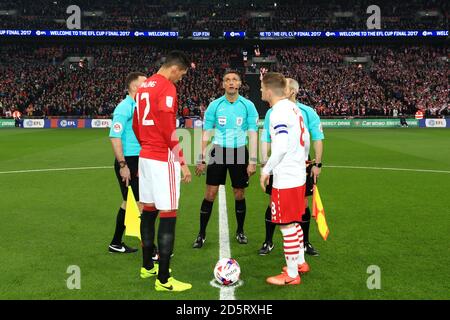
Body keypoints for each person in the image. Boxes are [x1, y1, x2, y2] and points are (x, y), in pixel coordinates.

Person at [132, 51, 192, 292]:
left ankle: (147, 266)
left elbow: (137, 123)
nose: (180, 79)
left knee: (148, 210)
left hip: (145, 155)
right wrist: (182, 161)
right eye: (182, 75)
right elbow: (169, 128)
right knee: (168, 212)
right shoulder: (167, 87)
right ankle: (164, 279)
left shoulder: (144, 86)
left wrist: (146, 144)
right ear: (175, 69)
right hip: (161, 157)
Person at [193, 70, 259, 248]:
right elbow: (206, 132)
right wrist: (201, 157)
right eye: (227, 80)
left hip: (239, 152)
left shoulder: (248, 105)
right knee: (210, 194)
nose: (231, 82)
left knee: (239, 193)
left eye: (234, 79)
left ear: (239, 84)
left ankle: (240, 231)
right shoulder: (214, 105)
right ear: (223, 84)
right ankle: (201, 234)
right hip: (218, 152)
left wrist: (252, 160)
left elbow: (253, 133)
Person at [259, 78, 324, 256]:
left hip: (291, 164)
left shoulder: (299, 111)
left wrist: (316, 163)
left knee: (299, 207)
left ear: (291, 91)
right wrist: (265, 161)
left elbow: (316, 138)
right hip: (288, 164)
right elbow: (266, 138)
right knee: (275, 203)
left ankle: (303, 247)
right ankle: (269, 241)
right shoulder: (286, 111)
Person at [259, 72, 309, 286]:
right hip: (297, 174)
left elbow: (279, 146)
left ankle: (291, 274)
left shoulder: (278, 111)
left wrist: (266, 170)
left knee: (286, 225)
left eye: (262, 88)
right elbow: (305, 139)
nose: (260, 91)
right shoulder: (293, 108)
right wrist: (301, 160)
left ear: (269, 91)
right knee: (294, 221)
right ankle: (300, 262)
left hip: (286, 177)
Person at [108, 72, 147, 254]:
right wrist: (123, 165)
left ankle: (115, 242)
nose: (147, 85)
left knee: (128, 202)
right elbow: (115, 136)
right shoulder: (124, 107)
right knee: (141, 204)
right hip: (128, 161)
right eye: (144, 83)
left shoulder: (140, 105)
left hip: (138, 159)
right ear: (133, 86)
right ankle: (150, 248)